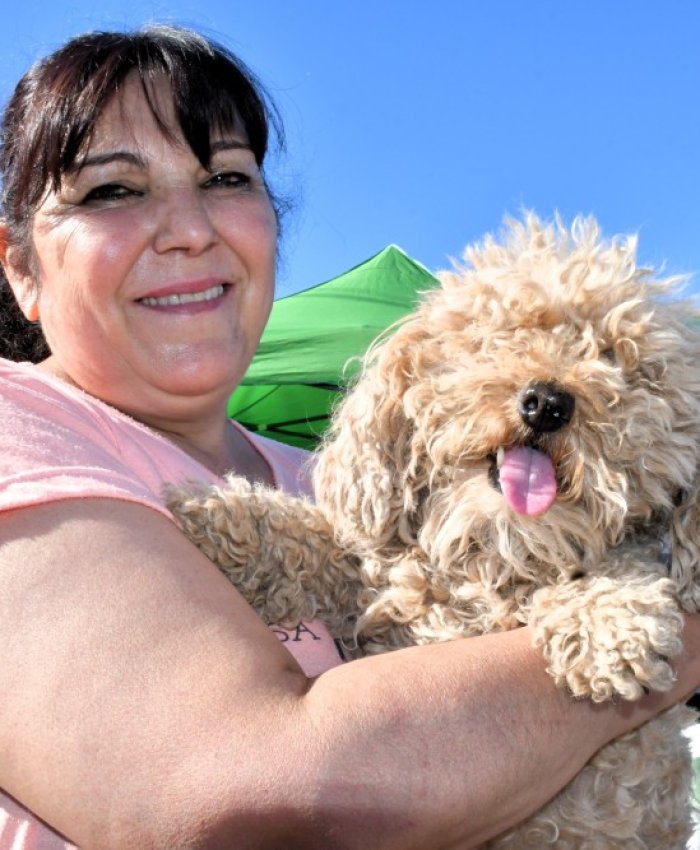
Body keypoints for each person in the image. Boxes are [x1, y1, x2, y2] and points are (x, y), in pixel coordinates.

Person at [0, 25, 699, 850]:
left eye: (225, 177)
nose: (187, 229)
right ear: (19, 267)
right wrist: (674, 644)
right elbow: (256, 795)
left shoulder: (333, 495)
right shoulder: (21, 429)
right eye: (113, 191)